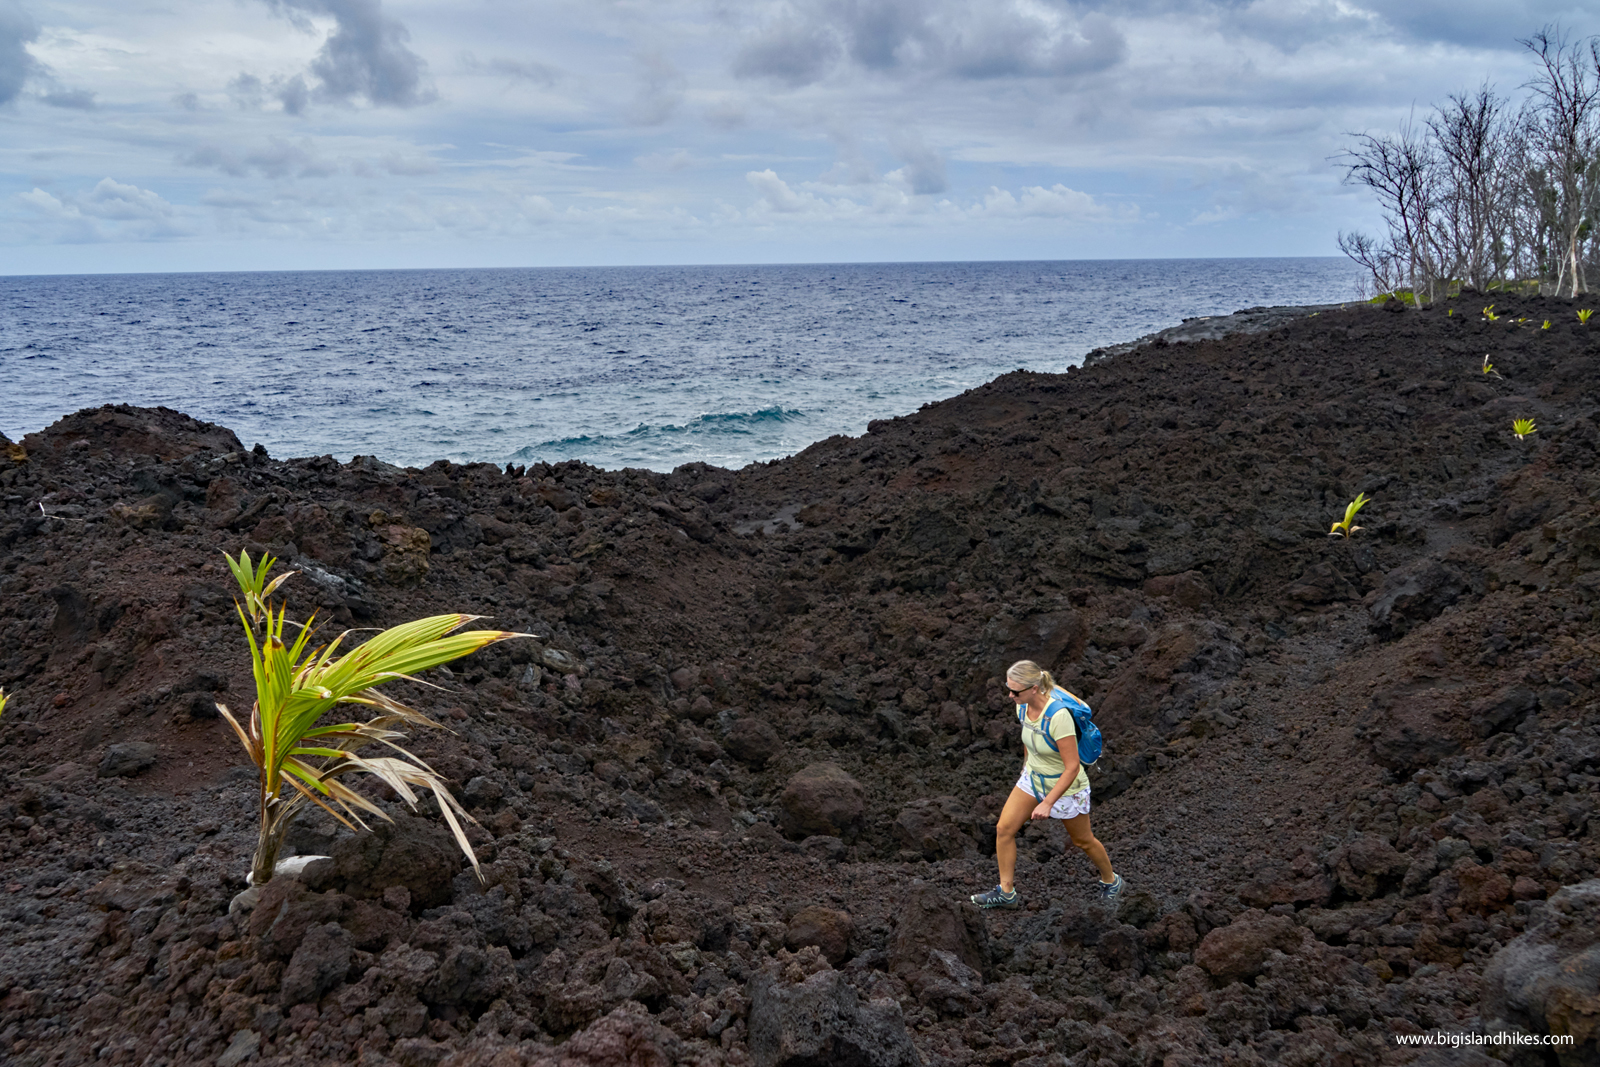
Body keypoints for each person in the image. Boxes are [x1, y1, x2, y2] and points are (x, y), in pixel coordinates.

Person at [970, 659, 1123, 909]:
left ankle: (1111, 880)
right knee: (1004, 829)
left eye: (1015, 691)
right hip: (1033, 778)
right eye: (1009, 689)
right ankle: (1006, 893)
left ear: (1033, 689)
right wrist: (1025, 769)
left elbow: (1072, 767)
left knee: (1083, 841)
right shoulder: (1022, 706)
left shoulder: (1058, 717)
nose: (1010, 696)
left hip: (1066, 787)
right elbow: (1029, 739)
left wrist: (1048, 803)